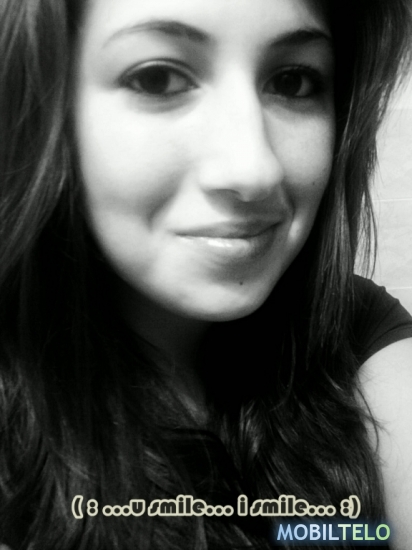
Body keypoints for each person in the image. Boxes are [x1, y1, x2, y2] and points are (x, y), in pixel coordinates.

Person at [0, 0, 412, 548]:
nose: (254, 168)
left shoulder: (356, 327)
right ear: (43, 105)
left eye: (292, 82)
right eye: (158, 78)